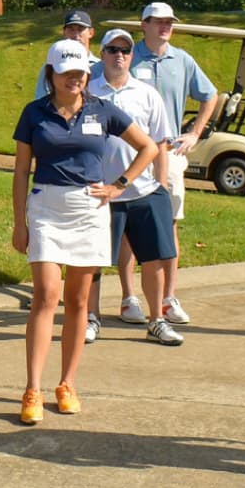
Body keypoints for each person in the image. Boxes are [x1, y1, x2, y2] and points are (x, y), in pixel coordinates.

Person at [12, 39, 157, 424]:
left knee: (79, 302)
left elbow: (148, 148)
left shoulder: (103, 110)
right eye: (67, 73)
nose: (75, 78)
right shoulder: (34, 113)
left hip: (90, 208)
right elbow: (21, 171)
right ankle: (32, 389)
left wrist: (120, 184)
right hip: (46, 205)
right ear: (52, 74)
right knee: (46, 294)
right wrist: (19, 221)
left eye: (80, 72)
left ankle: (67, 384)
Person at [87, 28, 180, 346]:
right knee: (93, 261)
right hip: (101, 193)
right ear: (101, 55)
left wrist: (162, 184)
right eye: (112, 49)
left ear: (131, 56)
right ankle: (91, 317)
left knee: (152, 259)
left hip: (143, 189)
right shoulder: (89, 92)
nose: (119, 55)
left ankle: (156, 319)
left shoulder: (146, 94)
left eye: (125, 50)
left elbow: (160, 143)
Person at [129, 1, 216, 328]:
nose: (165, 26)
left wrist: (195, 133)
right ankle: (129, 297)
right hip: (130, 153)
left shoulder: (182, 60)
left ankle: (168, 298)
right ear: (144, 25)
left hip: (170, 152)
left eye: (169, 22)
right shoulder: (128, 55)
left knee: (169, 224)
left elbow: (210, 95)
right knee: (128, 227)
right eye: (158, 21)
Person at [34, 10, 99, 96]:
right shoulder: (52, 65)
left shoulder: (100, 65)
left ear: (91, 33)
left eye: (80, 29)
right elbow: (42, 100)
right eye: (71, 29)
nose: (76, 35)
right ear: (64, 33)